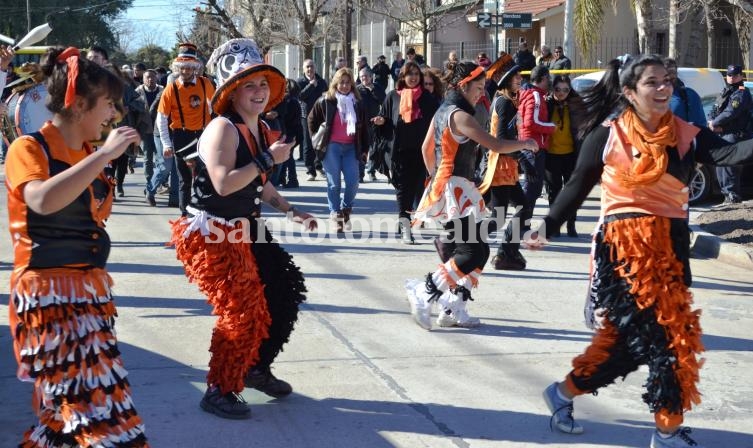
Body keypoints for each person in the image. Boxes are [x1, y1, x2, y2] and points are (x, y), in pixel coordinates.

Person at [535, 54, 753, 448]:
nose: (664, 88)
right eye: (653, 82)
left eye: (667, 81)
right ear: (629, 92)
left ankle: (564, 392)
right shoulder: (608, 135)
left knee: (630, 345)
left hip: (671, 249)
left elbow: (729, 154)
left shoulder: (686, 133)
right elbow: (576, 187)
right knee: (669, 340)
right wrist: (543, 228)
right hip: (625, 250)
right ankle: (666, 431)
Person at [5, 46, 148, 446]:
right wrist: (104, 155)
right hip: (48, 301)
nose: (115, 115)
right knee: (105, 418)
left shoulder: (86, 154)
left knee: (63, 422)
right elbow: (42, 200)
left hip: (86, 297)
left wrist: (99, 158)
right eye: (108, 104)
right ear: (79, 104)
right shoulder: (29, 148)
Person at [171, 38, 317, 420]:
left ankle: (254, 367)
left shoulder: (259, 126)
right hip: (213, 232)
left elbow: (259, 182)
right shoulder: (223, 128)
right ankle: (219, 388)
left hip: (246, 225)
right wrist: (269, 157)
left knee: (283, 291)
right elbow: (223, 183)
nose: (258, 91)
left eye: (263, 84)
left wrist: (290, 209)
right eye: (249, 85)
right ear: (232, 92)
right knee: (242, 311)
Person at [406, 60, 538, 329]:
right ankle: (423, 292)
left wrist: (437, 179)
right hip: (456, 190)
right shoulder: (459, 115)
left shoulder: (444, 111)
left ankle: (453, 308)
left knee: (478, 251)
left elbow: (425, 148)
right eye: (477, 88)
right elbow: (496, 144)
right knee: (469, 252)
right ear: (463, 86)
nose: (481, 93)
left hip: (454, 187)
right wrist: (526, 142)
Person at [373, 61, 440, 244]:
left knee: (416, 188)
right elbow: (385, 118)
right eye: (409, 74)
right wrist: (380, 121)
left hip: (422, 152)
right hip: (399, 151)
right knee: (403, 189)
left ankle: (405, 220)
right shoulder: (393, 96)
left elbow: (437, 122)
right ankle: (405, 224)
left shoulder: (427, 98)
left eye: (416, 74)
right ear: (402, 77)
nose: (413, 78)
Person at [478, 55, 532, 271]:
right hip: (501, 166)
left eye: (519, 75)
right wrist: (524, 152)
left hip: (505, 165)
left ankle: (506, 251)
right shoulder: (505, 103)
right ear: (506, 80)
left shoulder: (504, 100)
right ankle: (459, 242)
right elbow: (501, 137)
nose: (519, 79)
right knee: (501, 217)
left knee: (518, 210)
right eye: (515, 76)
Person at [156, 42, 215, 216]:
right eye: (182, 68)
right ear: (178, 68)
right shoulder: (171, 89)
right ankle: (184, 215)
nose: (186, 71)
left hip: (203, 136)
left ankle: (202, 211)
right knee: (184, 180)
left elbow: (214, 108)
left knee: (204, 176)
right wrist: (166, 144)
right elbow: (162, 118)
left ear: (195, 68)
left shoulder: (206, 84)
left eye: (189, 67)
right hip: (181, 136)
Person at [308, 67, 369, 232]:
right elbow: (311, 119)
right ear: (335, 83)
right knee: (334, 184)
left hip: (351, 147)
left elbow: (364, 128)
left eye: (348, 82)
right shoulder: (325, 101)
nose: (345, 85)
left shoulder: (357, 103)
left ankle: (345, 209)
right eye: (341, 82)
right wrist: (316, 139)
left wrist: (365, 149)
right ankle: (335, 214)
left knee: (353, 182)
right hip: (332, 147)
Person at [707, 64, 752, 206]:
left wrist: (714, 123)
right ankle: (726, 194)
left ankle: (733, 196)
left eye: (735, 75)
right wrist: (710, 120)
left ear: (740, 76)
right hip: (722, 133)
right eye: (729, 75)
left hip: (735, 134)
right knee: (720, 166)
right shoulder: (725, 91)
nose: (731, 78)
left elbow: (730, 113)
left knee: (729, 167)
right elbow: (714, 109)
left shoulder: (741, 93)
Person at [544, 75, 583, 237]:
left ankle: (571, 224)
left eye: (565, 90)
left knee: (571, 193)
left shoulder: (575, 105)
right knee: (554, 192)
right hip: (551, 155)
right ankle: (555, 225)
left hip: (571, 155)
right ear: (553, 88)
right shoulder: (547, 104)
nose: (561, 93)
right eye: (558, 89)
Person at [518, 64, 556, 208]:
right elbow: (531, 122)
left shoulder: (533, 94)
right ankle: (517, 227)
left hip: (530, 146)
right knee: (532, 190)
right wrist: (552, 127)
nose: (550, 81)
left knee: (532, 189)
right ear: (543, 78)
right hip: (533, 148)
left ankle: (522, 226)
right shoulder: (535, 95)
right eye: (548, 78)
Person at [296, 59, 327, 181]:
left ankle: (318, 165)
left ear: (315, 68)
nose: (310, 69)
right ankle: (310, 170)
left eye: (312, 67)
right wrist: (311, 86)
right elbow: (300, 96)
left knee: (320, 143)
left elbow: (327, 94)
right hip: (306, 116)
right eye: (307, 67)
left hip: (320, 116)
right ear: (304, 69)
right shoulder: (300, 81)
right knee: (308, 144)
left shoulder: (321, 81)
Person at [357, 67, 387, 182]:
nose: (364, 78)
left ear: (371, 76)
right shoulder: (357, 89)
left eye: (365, 76)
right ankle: (360, 174)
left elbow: (384, 102)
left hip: (374, 123)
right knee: (361, 150)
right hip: (361, 124)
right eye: (361, 76)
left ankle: (371, 171)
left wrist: (373, 90)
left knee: (374, 149)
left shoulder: (377, 88)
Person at [663, 58, 705, 127]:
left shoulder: (690, 95)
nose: (670, 76)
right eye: (667, 73)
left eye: (673, 72)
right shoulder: (653, 97)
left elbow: (700, 127)